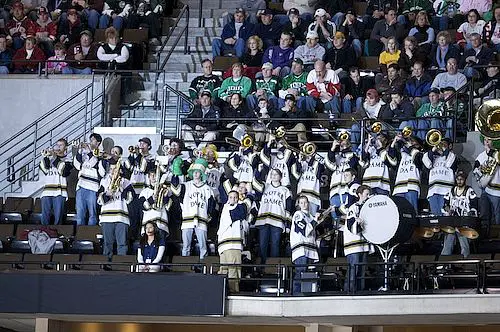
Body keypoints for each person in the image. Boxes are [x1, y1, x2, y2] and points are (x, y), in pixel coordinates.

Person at [171, 158, 216, 260]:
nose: (196, 174)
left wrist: (208, 217)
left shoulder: (207, 188)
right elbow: (175, 190)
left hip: (201, 219)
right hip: (187, 219)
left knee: (203, 246)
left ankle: (203, 267)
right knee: (186, 246)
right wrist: (175, 174)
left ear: (201, 174)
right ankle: (185, 265)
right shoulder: (186, 186)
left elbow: (211, 205)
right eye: (194, 172)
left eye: (198, 172)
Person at [253, 167, 293, 264]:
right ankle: (261, 267)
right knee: (263, 244)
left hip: (278, 220)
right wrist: (259, 170)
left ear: (280, 176)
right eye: (272, 174)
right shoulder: (265, 186)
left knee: (275, 244)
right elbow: (255, 183)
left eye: (276, 174)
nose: (273, 176)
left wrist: (287, 224)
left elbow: (288, 208)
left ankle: (273, 267)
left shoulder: (285, 190)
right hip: (263, 219)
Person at [98, 158, 134, 261]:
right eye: (112, 169)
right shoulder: (104, 182)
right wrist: (107, 194)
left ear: (120, 171)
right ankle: (106, 264)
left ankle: (121, 263)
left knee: (122, 243)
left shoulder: (126, 182)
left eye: (116, 170)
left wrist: (122, 189)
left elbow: (130, 200)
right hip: (106, 217)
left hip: (121, 217)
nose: (114, 172)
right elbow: (99, 200)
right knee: (107, 243)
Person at [441, 170, 478, 258]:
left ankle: (465, 262)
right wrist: (448, 209)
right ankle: (443, 263)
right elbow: (445, 204)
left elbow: (474, 205)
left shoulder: (469, 190)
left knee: (464, 244)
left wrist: (470, 214)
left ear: (465, 180)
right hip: (453, 222)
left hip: (464, 223)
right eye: (458, 179)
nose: (459, 181)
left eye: (461, 179)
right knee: (448, 242)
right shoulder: (452, 190)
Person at [124, 137, 155, 239]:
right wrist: (132, 155)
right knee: (133, 217)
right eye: (140, 143)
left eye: (144, 144)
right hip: (133, 191)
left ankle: (142, 238)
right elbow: (127, 166)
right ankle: (132, 240)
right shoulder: (136, 156)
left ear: (149, 146)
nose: (141, 145)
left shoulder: (151, 158)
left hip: (144, 191)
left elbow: (144, 168)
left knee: (143, 216)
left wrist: (138, 155)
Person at [344, 185, 373, 292]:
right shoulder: (353, 207)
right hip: (353, 245)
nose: (368, 196)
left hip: (363, 245)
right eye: (366, 194)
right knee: (353, 271)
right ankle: (349, 293)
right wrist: (358, 222)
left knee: (361, 272)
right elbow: (351, 225)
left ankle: (360, 292)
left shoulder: (369, 208)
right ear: (359, 195)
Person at [217, 190, 247, 292]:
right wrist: (248, 197)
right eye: (231, 197)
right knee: (232, 269)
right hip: (231, 244)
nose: (233, 199)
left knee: (225, 270)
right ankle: (233, 292)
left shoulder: (228, 208)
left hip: (226, 244)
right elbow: (241, 211)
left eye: (235, 197)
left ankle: (224, 292)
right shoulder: (229, 208)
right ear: (228, 198)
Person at [290, 195, 319, 294]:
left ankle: (307, 294)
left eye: (305, 202)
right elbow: (305, 230)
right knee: (300, 272)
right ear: (298, 204)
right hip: (301, 250)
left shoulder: (310, 216)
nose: (304, 204)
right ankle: (296, 295)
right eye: (301, 202)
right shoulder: (298, 214)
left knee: (308, 274)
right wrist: (316, 220)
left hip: (310, 250)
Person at [39, 138, 73, 225]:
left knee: (58, 218)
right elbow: (44, 170)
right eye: (57, 145)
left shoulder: (68, 159)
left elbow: (64, 172)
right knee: (44, 218)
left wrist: (54, 157)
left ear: (66, 148)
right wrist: (46, 156)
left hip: (60, 192)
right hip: (47, 191)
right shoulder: (51, 159)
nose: (58, 147)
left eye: (61, 145)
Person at [73, 133, 104, 226]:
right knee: (80, 213)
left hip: (93, 187)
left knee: (92, 214)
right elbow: (77, 165)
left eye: (92, 140)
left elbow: (93, 163)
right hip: (81, 185)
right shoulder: (84, 153)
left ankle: (90, 233)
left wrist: (89, 150)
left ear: (98, 143)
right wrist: (79, 151)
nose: (90, 142)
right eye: (90, 140)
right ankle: (80, 234)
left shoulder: (100, 154)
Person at [325, 137, 359, 219]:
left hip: (347, 191)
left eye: (346, 144)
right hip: (335, 192)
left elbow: (353, 165)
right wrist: (333, 148)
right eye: (342, 144)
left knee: (348, 216)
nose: (343, 146)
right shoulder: (335, 157)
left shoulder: (352, 156)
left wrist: (346, 150)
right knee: (336, 219)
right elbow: (329, 167)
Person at [389, 133, 424, 212]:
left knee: (412, 212)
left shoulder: (421, 154)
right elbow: (391, 158)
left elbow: (417, 158)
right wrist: (395, 141)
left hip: (411, 187)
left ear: (418, 145)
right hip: (399, 188)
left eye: (412, 141)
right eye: (409, 141)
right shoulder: (402, 154)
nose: (409, 142)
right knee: (398, 213)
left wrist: (409, 146)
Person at [423, 138, 457, 215]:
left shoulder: (452, 155)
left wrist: (445, 149)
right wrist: (433, 149)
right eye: (440, 143)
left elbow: (449, 164)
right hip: (433, 191)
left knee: (446, 217)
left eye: (444, 143)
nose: (440, 145)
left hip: (446, 191)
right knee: (435, 217)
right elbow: (427, 163)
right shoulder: (432, 157)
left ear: (449, 146)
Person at [474, 137, 500, 226]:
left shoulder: (497, 153)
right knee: (485, 214)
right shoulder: (480, 157)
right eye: (485, 140)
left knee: (496, 215)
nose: (487, 142)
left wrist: (491, 153)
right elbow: (475, 171)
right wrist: (480, 172)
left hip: (497, 190)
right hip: (485, 188)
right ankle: (486, 235)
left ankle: (496, 235)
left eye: (489, 140)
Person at [138, 168, 170, 239]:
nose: (153, 177)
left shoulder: (164, 190)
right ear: (148, 177)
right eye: (151, 175)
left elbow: (168, 207)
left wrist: (165, 197)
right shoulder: (144, 191)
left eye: (155, 175)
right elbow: (143, 207)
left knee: (161, 246)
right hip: (148, 224)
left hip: (161, 223)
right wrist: (151, 199)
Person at [292, 145, 325, 214]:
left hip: (313, 199)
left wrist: (312, 158)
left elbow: (319, 171)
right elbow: (295, 174)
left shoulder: (318, 164)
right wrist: (299, 160)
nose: (307, 153)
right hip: (301, 198)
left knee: (311, 221)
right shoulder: (301, 163)